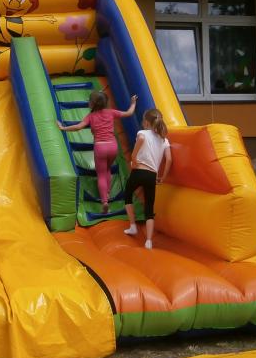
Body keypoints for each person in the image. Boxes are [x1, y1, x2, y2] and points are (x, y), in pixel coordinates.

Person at [57, 91, 137, 212]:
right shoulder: (111, 112)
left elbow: (78, 127)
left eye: (89, 101)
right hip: (113, 146)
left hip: (100, 148)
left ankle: (104, 201)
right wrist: (133, 103)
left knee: (101, 174)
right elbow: (129, 113)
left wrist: (63, 128)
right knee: (107, 169)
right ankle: (107, 192)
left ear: (92, 104)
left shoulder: (91, 116)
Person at [123, 108, 172, 249]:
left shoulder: (142, 133)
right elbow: (169, 160)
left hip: (138, 171)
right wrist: (163, 177)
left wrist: (133, 159)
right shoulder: (164, 140)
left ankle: (133, 226)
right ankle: (149, 241)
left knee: (127, 194)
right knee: (149, 207)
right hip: (151, 176)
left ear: (146, 122)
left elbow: (141, 140)